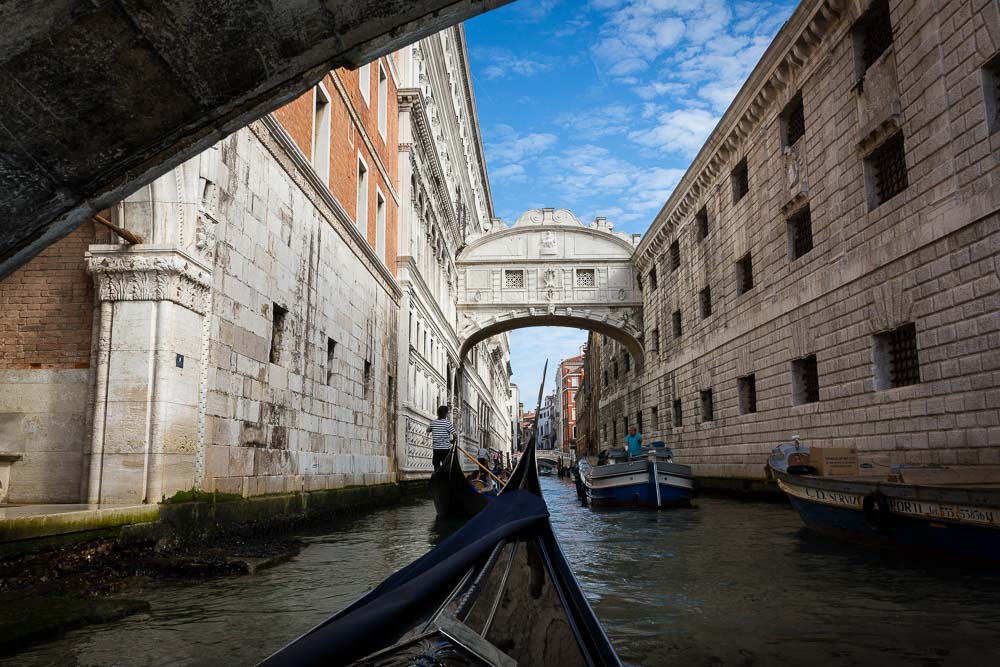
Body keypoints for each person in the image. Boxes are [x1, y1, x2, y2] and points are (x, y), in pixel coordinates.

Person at [427, 405, 456, 471]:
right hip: (445, 449)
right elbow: (455, 435)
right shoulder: (447, 423)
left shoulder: (433, 422)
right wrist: (453, 441)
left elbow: (428, 430)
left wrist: (434, 429)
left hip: (436, 449)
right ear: (446, 414)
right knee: (445, 465)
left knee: (436, 464)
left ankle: (437, 478)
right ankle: (444, 479)